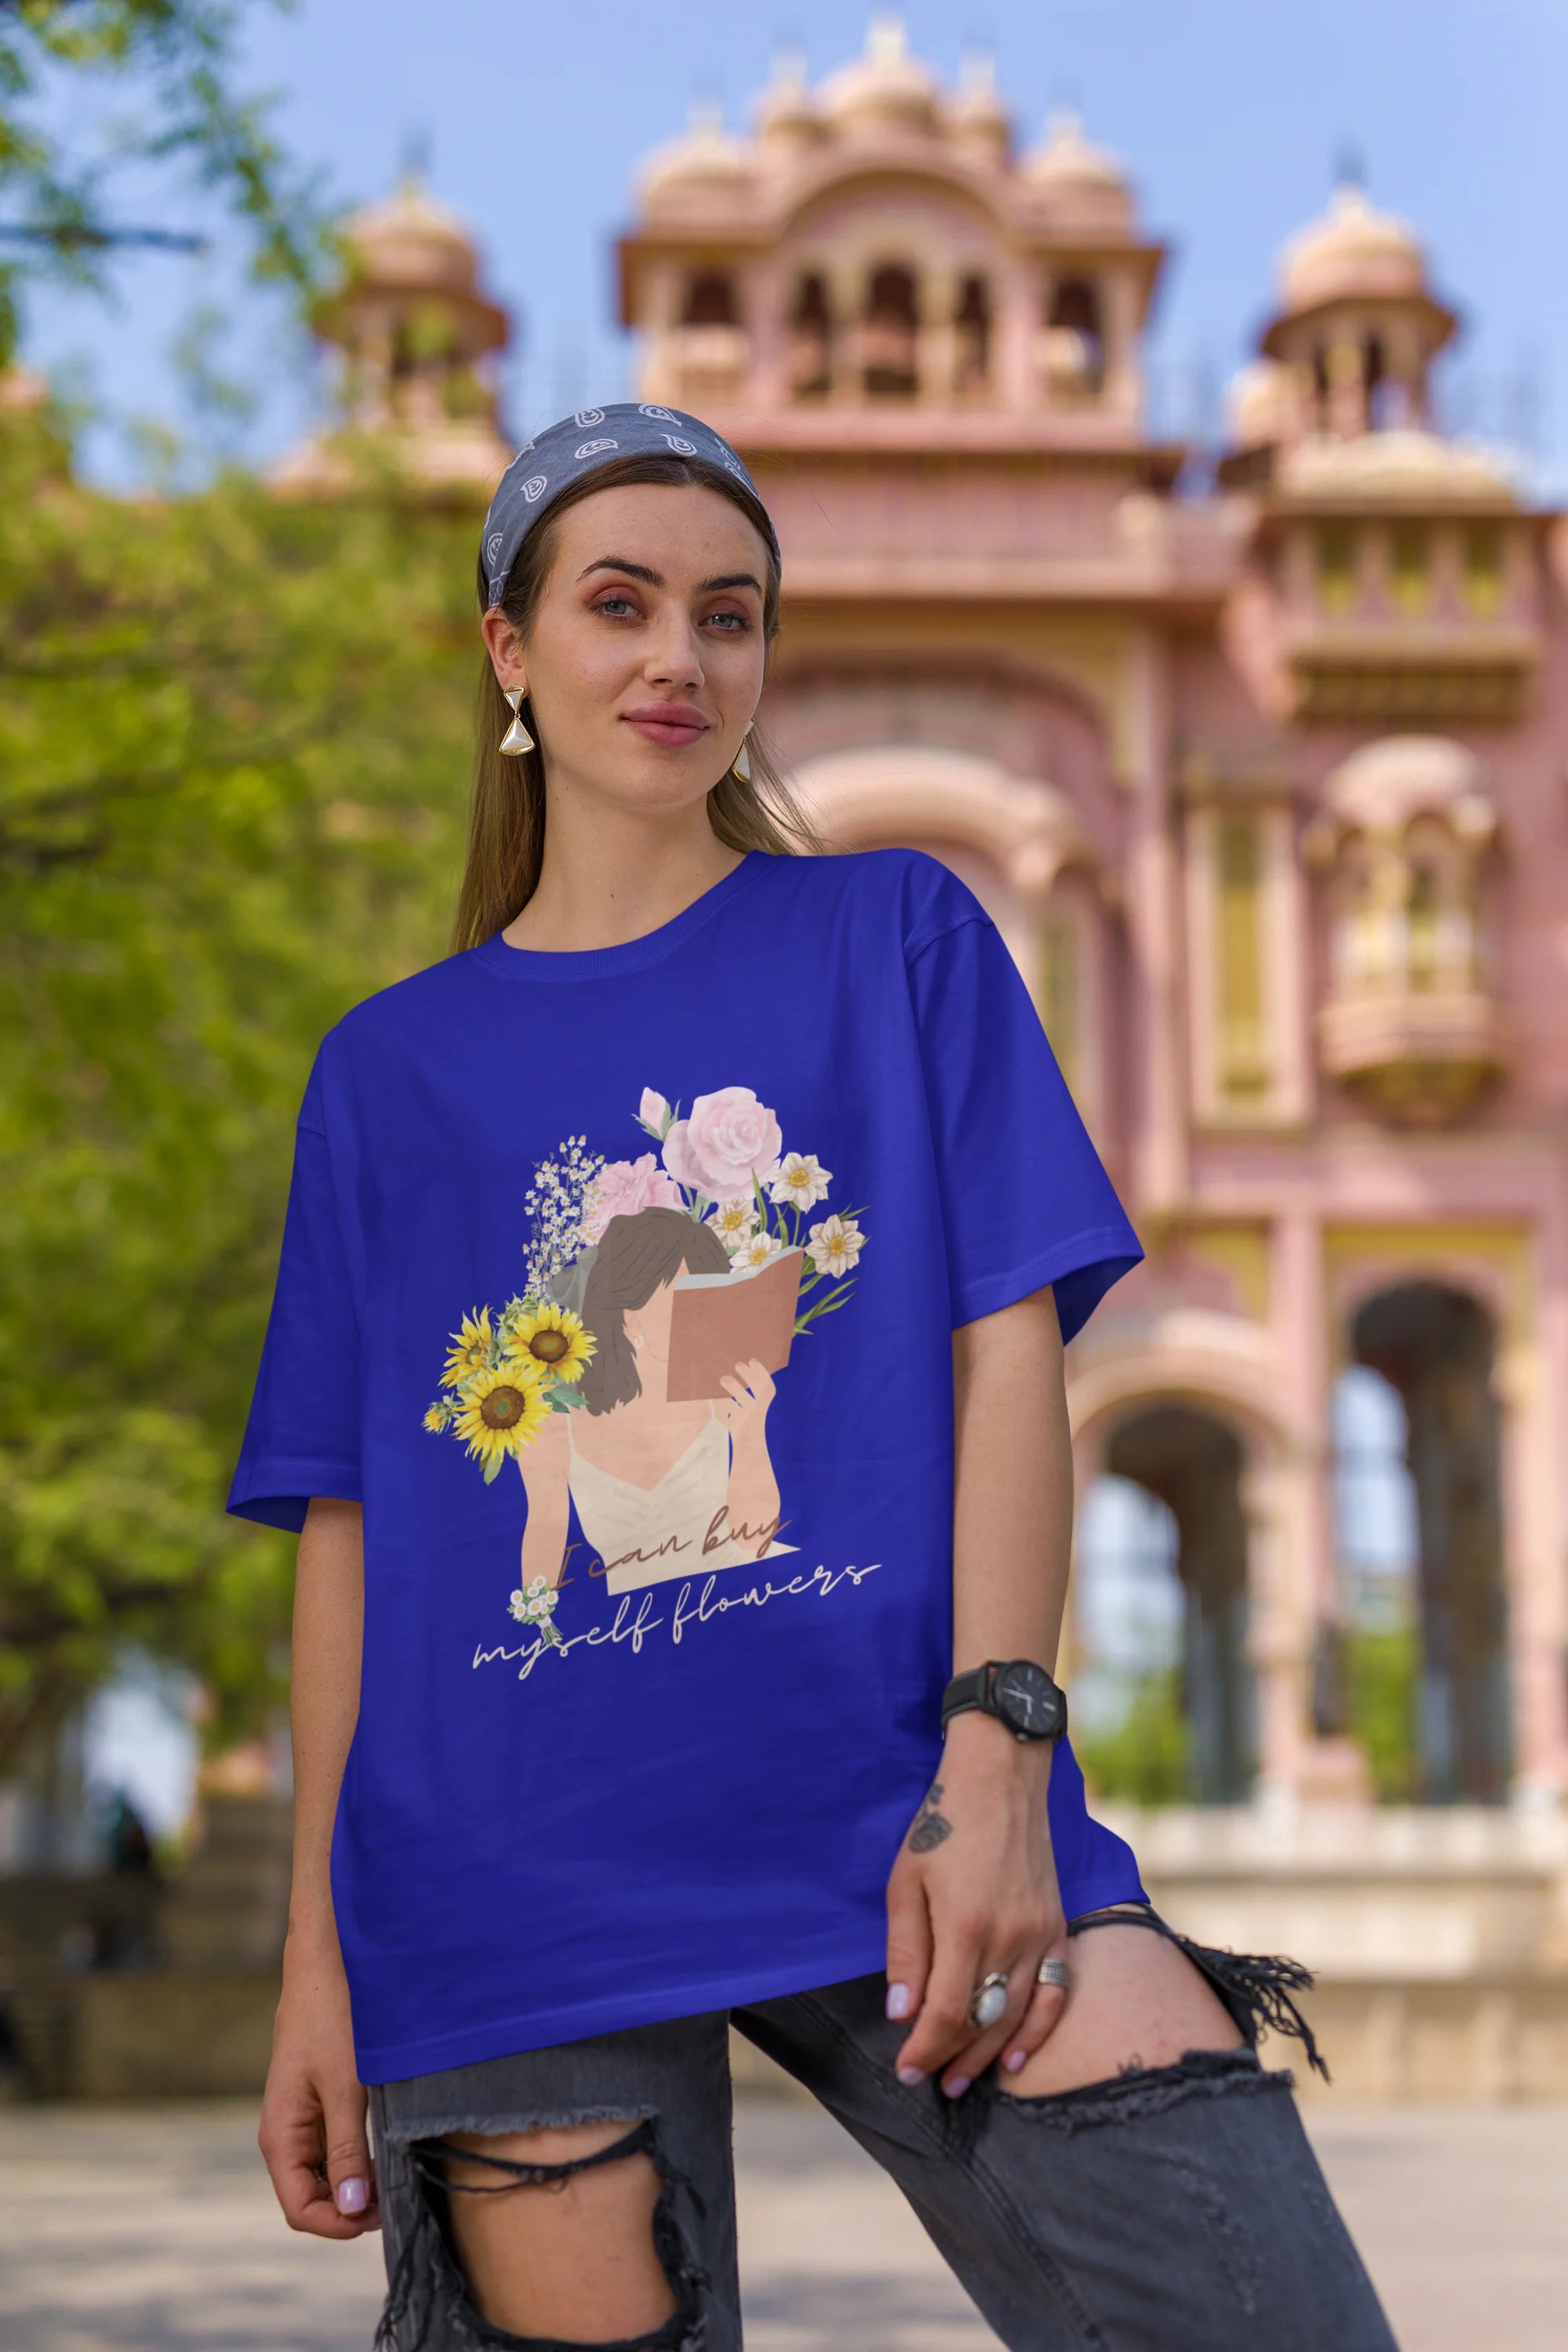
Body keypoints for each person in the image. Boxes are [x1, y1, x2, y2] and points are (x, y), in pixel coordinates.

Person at [236, 405, 1396, 2351]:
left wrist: (999, 1754)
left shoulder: (897, 936)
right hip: (509, 1880)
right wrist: (312, 1961)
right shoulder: (390, 1071)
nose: (678, 659)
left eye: (730, 613)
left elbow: (1002, 1348)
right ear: (510, 651)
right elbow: (350, 1532)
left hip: (898, 1816)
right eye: (618, 605)